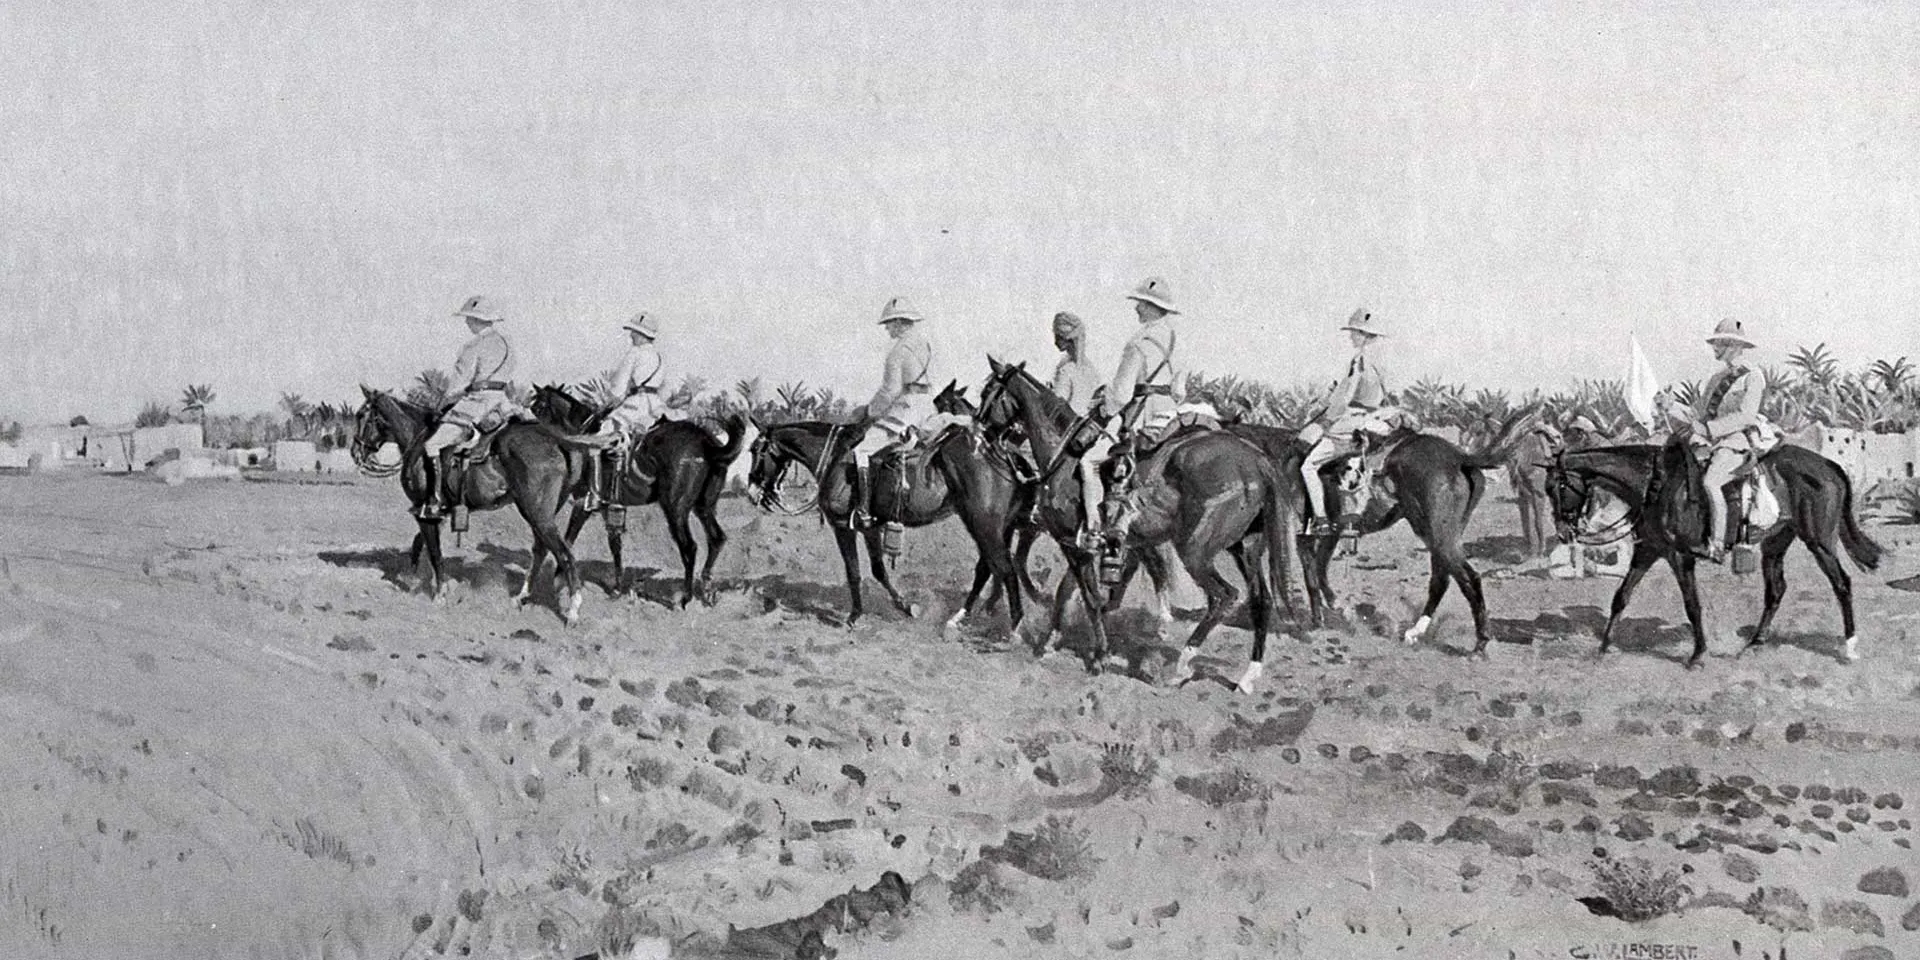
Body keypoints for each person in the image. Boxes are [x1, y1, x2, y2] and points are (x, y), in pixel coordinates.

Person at [1077, 277, 1182, 547]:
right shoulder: (1175, 340)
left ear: (1151, 306)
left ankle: (1094, 531)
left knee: (1089, 461)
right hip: (1172, 417)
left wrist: (1101, 406)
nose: (1136, 309)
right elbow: (1180, 391)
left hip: (1143, 418)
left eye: (1140, 304)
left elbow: (1121, 395)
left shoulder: (1139, 342)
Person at [1660, 318, 1767, 562]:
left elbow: (1746, 416)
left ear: (1733, 345)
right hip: (1710, 442)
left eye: (1719, 344)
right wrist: (1671, 406)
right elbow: (1696, 414)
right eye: (1715, 344)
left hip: (1735, 443)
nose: (1714, 348)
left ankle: (1717, 546)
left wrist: (1709, 429)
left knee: (1711, 483)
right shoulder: (1716, 379)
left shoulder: (1752, 376)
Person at [419, 295, 516, 519]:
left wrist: (443, 402)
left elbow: (458, 383)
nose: (466, 323)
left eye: (469, 319)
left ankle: (434, 501)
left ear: (477, 320)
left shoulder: (473, 346)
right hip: (502, 401)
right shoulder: (506, 343)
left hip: (477, 404)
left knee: (431, 444)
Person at [1299, 307, 1390, 535]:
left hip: (1352, 422)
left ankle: (1320, 520)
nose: (1351, 336)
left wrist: (1325, 419)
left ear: (1364, 335)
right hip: (1374, 420)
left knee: (1308, 466)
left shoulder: (1359, 359)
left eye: (1355, 332)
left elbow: (1347, 395)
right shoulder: (1381, 363)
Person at [846, 297, 935, 528]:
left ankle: (864, 509)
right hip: (927, 407)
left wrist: (868, 411)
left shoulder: (897, 352)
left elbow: (890, 391)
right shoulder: (924, 345)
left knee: (862, 450)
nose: (886, 328)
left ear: (899, 322)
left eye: (889, 323)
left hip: (906, 411)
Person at [584, 312, 666, 509]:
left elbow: (618, 389)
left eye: (634, 333)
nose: (631, 336)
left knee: (598, 440)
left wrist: (607, 402)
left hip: (635, 406)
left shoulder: (634, 354)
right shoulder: (659, 357)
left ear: (641, 334)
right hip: (655, 407)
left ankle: (595, 494)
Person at [1049, 311, 1103, 412]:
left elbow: (1057, 406)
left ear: (1066, 338)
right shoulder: (1090, 368)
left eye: (1057, 336)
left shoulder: (1066, 370)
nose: (1055, 341)